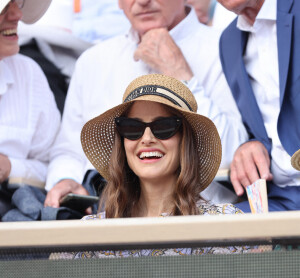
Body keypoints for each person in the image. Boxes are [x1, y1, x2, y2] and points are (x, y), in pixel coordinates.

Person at [44, 0, 248, 208]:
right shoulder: (93, 61)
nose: (142, 2)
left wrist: (180, 74)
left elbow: (232, 154)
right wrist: (65, 179)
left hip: (198, 219)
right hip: (106, 216)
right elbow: (69, 149)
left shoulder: (223, 49)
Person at [57, 73, 248, 258]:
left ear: (185, 140)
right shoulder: (87, 235)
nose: (147, 138)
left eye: (163, 126)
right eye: (132, 128)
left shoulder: (224, 225)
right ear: (122, 143)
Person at [218, 0, 300, 211]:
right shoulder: (229, 41)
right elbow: (261, 125)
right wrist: (252, 144)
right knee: (203, 234)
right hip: (279, 197)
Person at [0, 0, 60, 219]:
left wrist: (9, 167)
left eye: (16, 3)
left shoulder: (28, 73)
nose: (17, 14)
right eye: (5, 7)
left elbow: (52, 166)